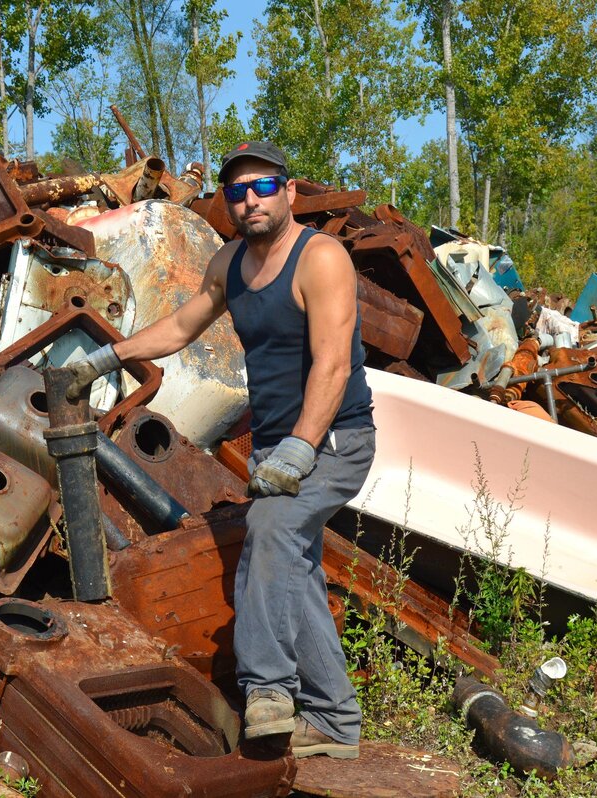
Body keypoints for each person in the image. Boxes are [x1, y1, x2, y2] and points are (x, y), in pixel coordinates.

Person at [66, 141, 375, 759]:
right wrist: (111, 354)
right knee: (297, 570)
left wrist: (300, 447)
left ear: (289, 192)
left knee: (268, 528)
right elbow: (182, 327)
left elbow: (334, 364)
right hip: (274, 449)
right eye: (236, 192)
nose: (250, 200)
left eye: (263, 187)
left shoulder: (322, 259)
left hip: (334, 441)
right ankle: (337, 721)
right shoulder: (231, 263)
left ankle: (267, 691)